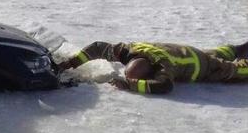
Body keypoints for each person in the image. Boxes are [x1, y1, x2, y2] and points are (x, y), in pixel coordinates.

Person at [58, 41, 248, 94]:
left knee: (233, 69)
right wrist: (70, 63)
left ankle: (239, 54)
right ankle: (238, 48)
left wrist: (130, 84)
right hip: (186, 51)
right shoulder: (130, 50)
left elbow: (164, 86)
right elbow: (98, 47)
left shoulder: (163, 67)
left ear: (151, 70)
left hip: (200, 65)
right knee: (214, 52)